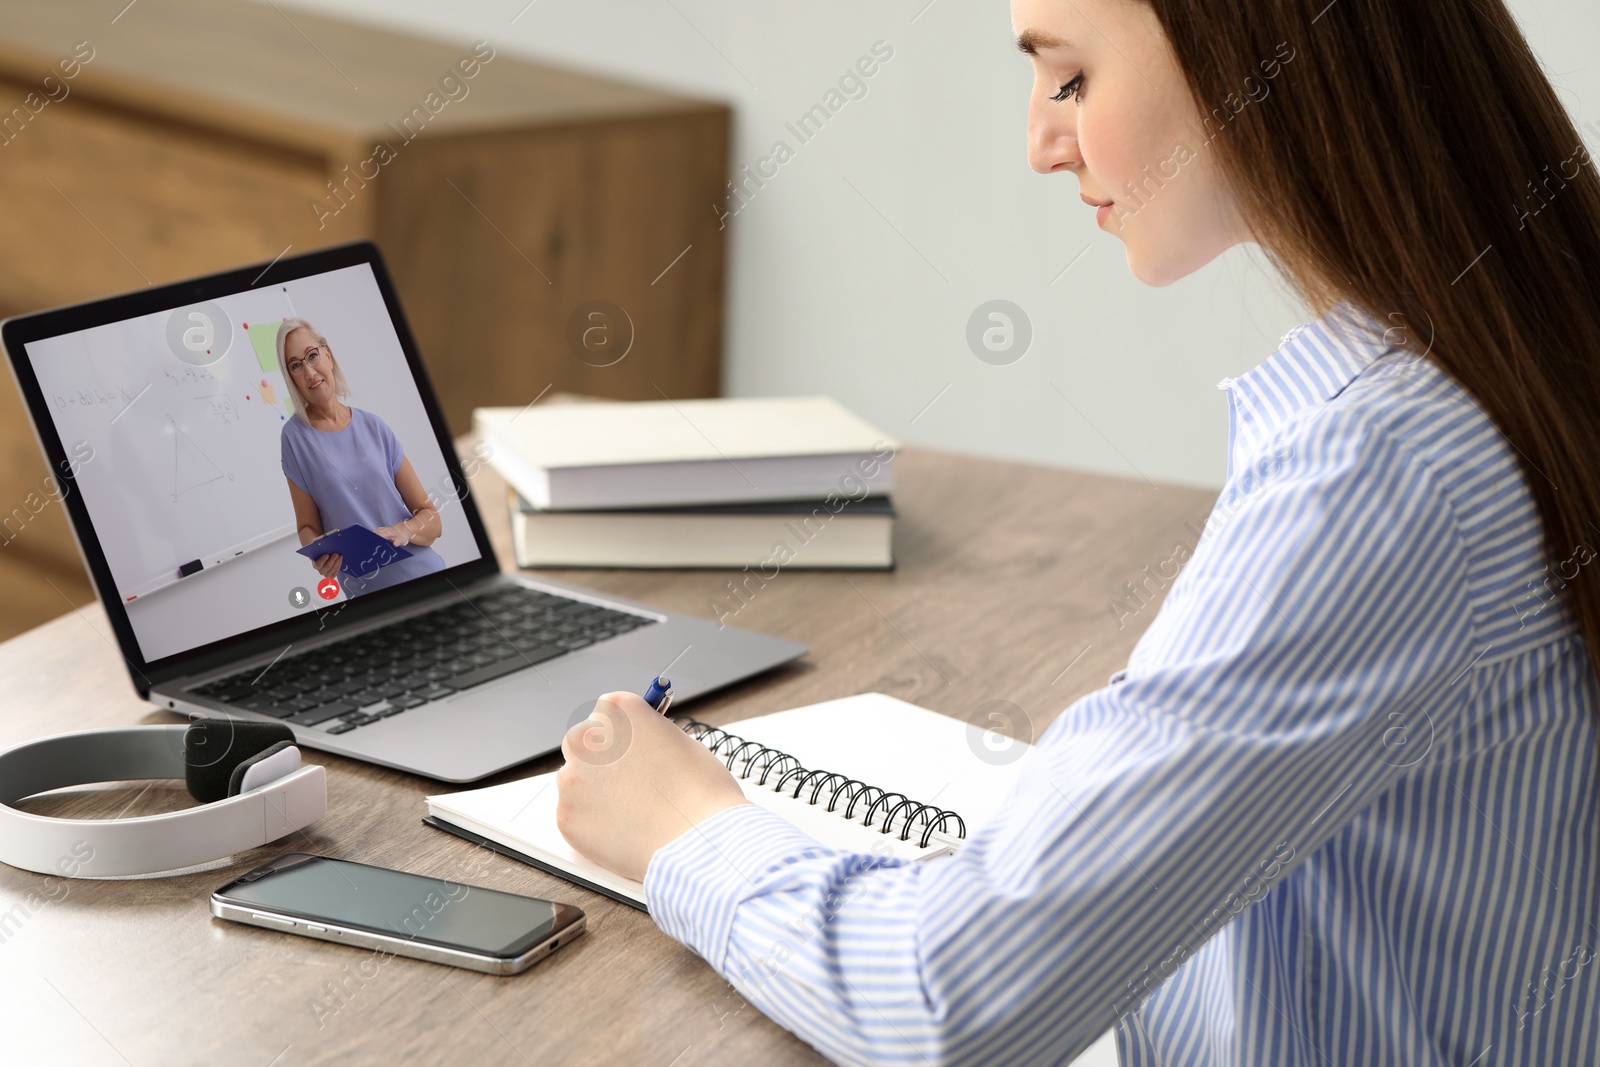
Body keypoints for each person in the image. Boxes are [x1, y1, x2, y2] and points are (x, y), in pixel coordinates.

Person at [556, 1, 1600, 1064]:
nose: (1040, 144)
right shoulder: (1515, 356)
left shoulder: (1377, 477)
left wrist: (685, 829)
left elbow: (949, 1005)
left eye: (1070, 79)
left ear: (1247, 57)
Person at [278, 317, 446, 597]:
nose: (309, 372)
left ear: (327, 355)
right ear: (291, 378)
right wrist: (318, 557)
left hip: (427, 580)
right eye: (296, 365)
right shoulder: (294, 438)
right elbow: (307, 528)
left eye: (312, 356)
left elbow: (432, 520)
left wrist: (404, 531)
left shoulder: (374, 426)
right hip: (369, 599)